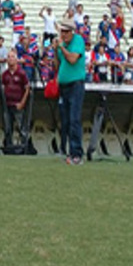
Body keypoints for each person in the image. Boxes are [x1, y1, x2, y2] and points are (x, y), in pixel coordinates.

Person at [55, 17, 86, 165]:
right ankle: (66, 149)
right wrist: (56, 50)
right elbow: (59, 63)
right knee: (65, 120)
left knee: (74, 119)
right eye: (62, 32)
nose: (63, 35)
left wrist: (61, 47)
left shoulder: (78, 41)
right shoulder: (64, 46)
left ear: (71, 32)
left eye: (66, 32)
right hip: (64, 85)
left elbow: (72, 59)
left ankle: (77, 153)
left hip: (75, 85)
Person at [0, 51, 30, 150]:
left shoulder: (21, 73)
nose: (10, 59)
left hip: (18, 104)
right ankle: (9, 147)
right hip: (7, 104)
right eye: (8, 57)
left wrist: (22, 103)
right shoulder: (4, 74)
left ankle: (24, 147)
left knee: (21, 127)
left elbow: (27, 88)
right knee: (8, 127)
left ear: (16, 59)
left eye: (12, 57)